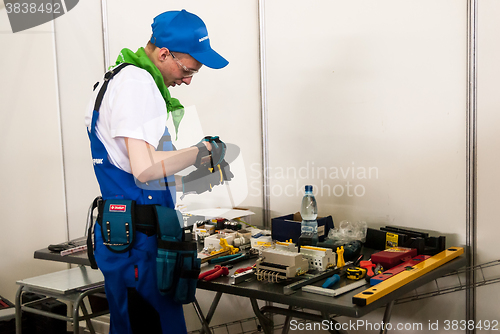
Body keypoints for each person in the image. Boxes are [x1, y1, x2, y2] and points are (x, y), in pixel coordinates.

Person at [84, 9, 228, 334]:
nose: (188, 80)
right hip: (138, 243)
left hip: (131, 234)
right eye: (188, 69)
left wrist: (189, 173)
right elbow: (145, 169)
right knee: (153, 326)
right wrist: (200, 151)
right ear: (164, 53)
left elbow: (140, 163)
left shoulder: (120, 79)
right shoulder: (136, 83)